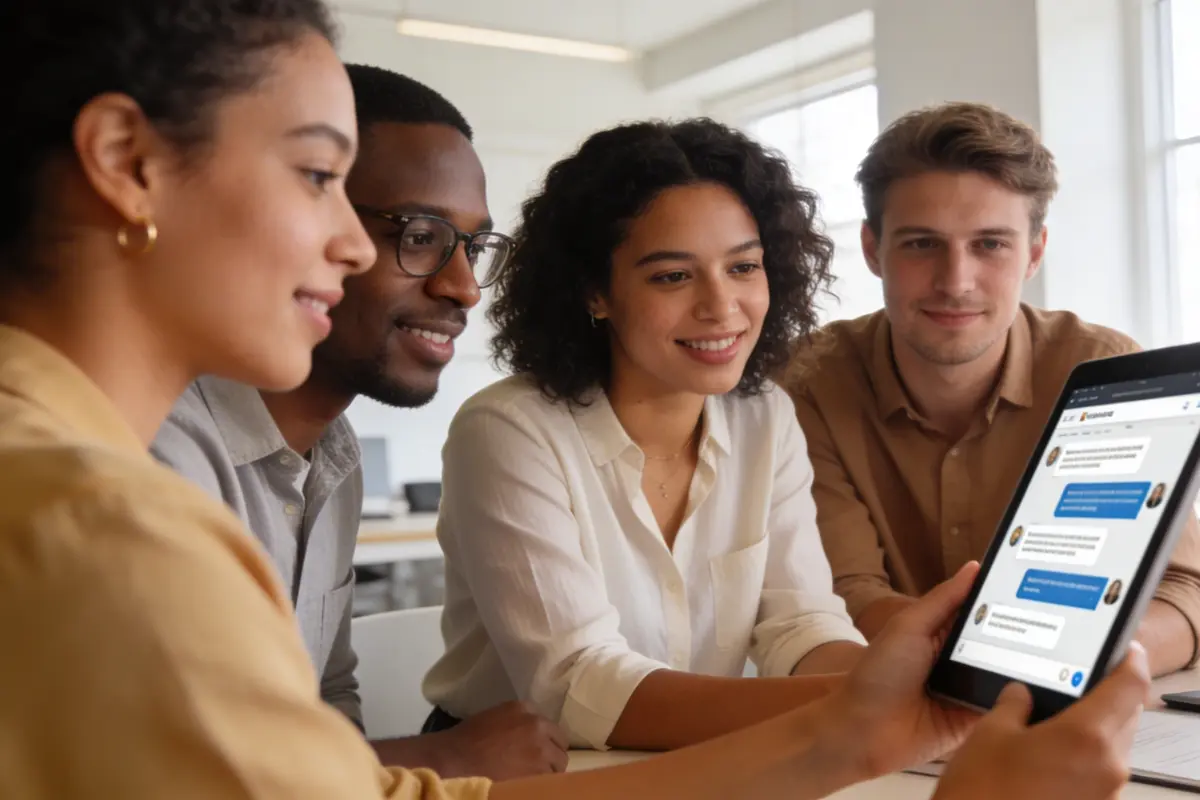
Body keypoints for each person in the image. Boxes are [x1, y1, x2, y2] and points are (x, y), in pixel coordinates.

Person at [0, 3, 1159, 797]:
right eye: (319, 177)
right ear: (127, 161)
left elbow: (349, 768)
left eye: (745, 264)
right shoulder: (103, 520)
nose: (353, 242)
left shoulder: (283, 463)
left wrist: (852, 717)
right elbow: (558, 695)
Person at [150, 63, 565, 780]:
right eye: (421, 234)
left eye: (473, 247)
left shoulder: (332, 457)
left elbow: (325, 701)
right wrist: (442, 755)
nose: (462, 287)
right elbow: (168, 768)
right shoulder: (161, 448)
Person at [424, 119, 871, 752]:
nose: (722, 306)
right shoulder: (508, 429)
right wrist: (859, 706)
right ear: (595, 292)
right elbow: (576, 684)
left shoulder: (765, 416)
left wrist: (892, 687)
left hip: (688, 759)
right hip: (514, 773)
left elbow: (799, 622)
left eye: (744, 266)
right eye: (672, 276)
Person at [783, 101, 1200, 677]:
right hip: (894, 718)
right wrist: (1000, 663)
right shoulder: (808, 383)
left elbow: (1183, 590)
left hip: (1077, 700)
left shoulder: (1108, 370)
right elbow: (843, 596)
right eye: (922, 244)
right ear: (874, 250)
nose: (956, 282)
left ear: (1034, 252)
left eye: (990, 244)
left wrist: (1071, 665)